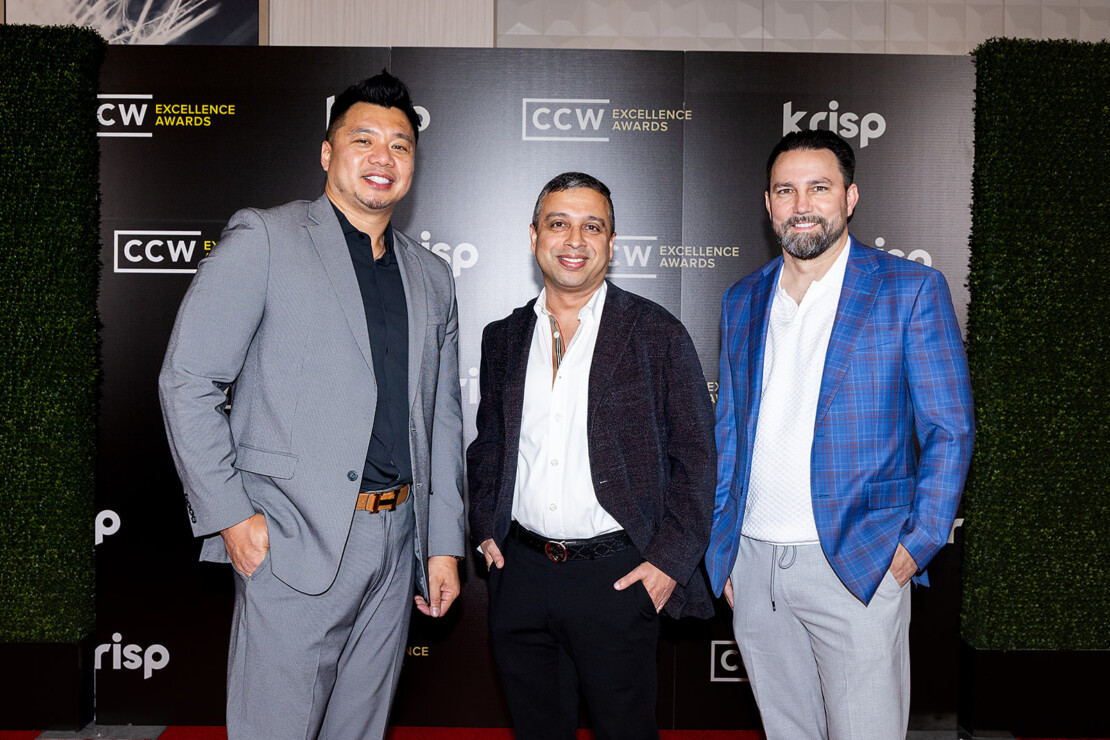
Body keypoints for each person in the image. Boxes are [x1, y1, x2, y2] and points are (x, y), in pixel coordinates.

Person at [158, 71, 464, 740]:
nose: (383, 158)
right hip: (294, 539)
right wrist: (232, 516)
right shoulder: (265, 239)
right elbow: (187, 379)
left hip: (398, 542)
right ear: (328, 154)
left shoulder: (432, 277)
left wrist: (442, 545)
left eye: (401, 145)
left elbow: (442, 419)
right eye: (364, 140)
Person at [705, 129, 974, 740]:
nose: (802, 203)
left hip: (858, 561)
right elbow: (731, 430)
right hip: (753, 564)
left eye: (818, 188)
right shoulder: (743, 298)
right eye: (786, 189)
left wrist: (916, 544)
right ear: (768, 203)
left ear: (849, 198)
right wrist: (721, 549)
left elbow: (949, 429)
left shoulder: (909, 290)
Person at [467, 172, 717, 740]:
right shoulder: (502, 337)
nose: (573, 240)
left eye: (591, 227)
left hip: (619, 577)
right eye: (558, 224)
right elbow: (489, 444)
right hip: (521, 573)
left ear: (611, 244)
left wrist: (667, 564)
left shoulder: (656, 333)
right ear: (534, 237)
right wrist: (486, 526)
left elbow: (698, 457)